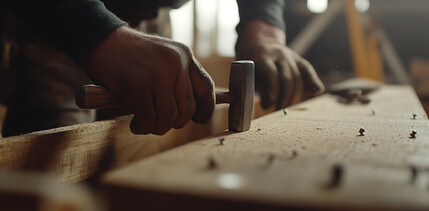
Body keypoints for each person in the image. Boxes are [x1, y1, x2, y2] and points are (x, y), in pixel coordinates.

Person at [0, 0, 324, 137]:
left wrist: (263, 26)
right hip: (54, 23)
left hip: (151, 25)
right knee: (58, 200)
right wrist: (93, 31)